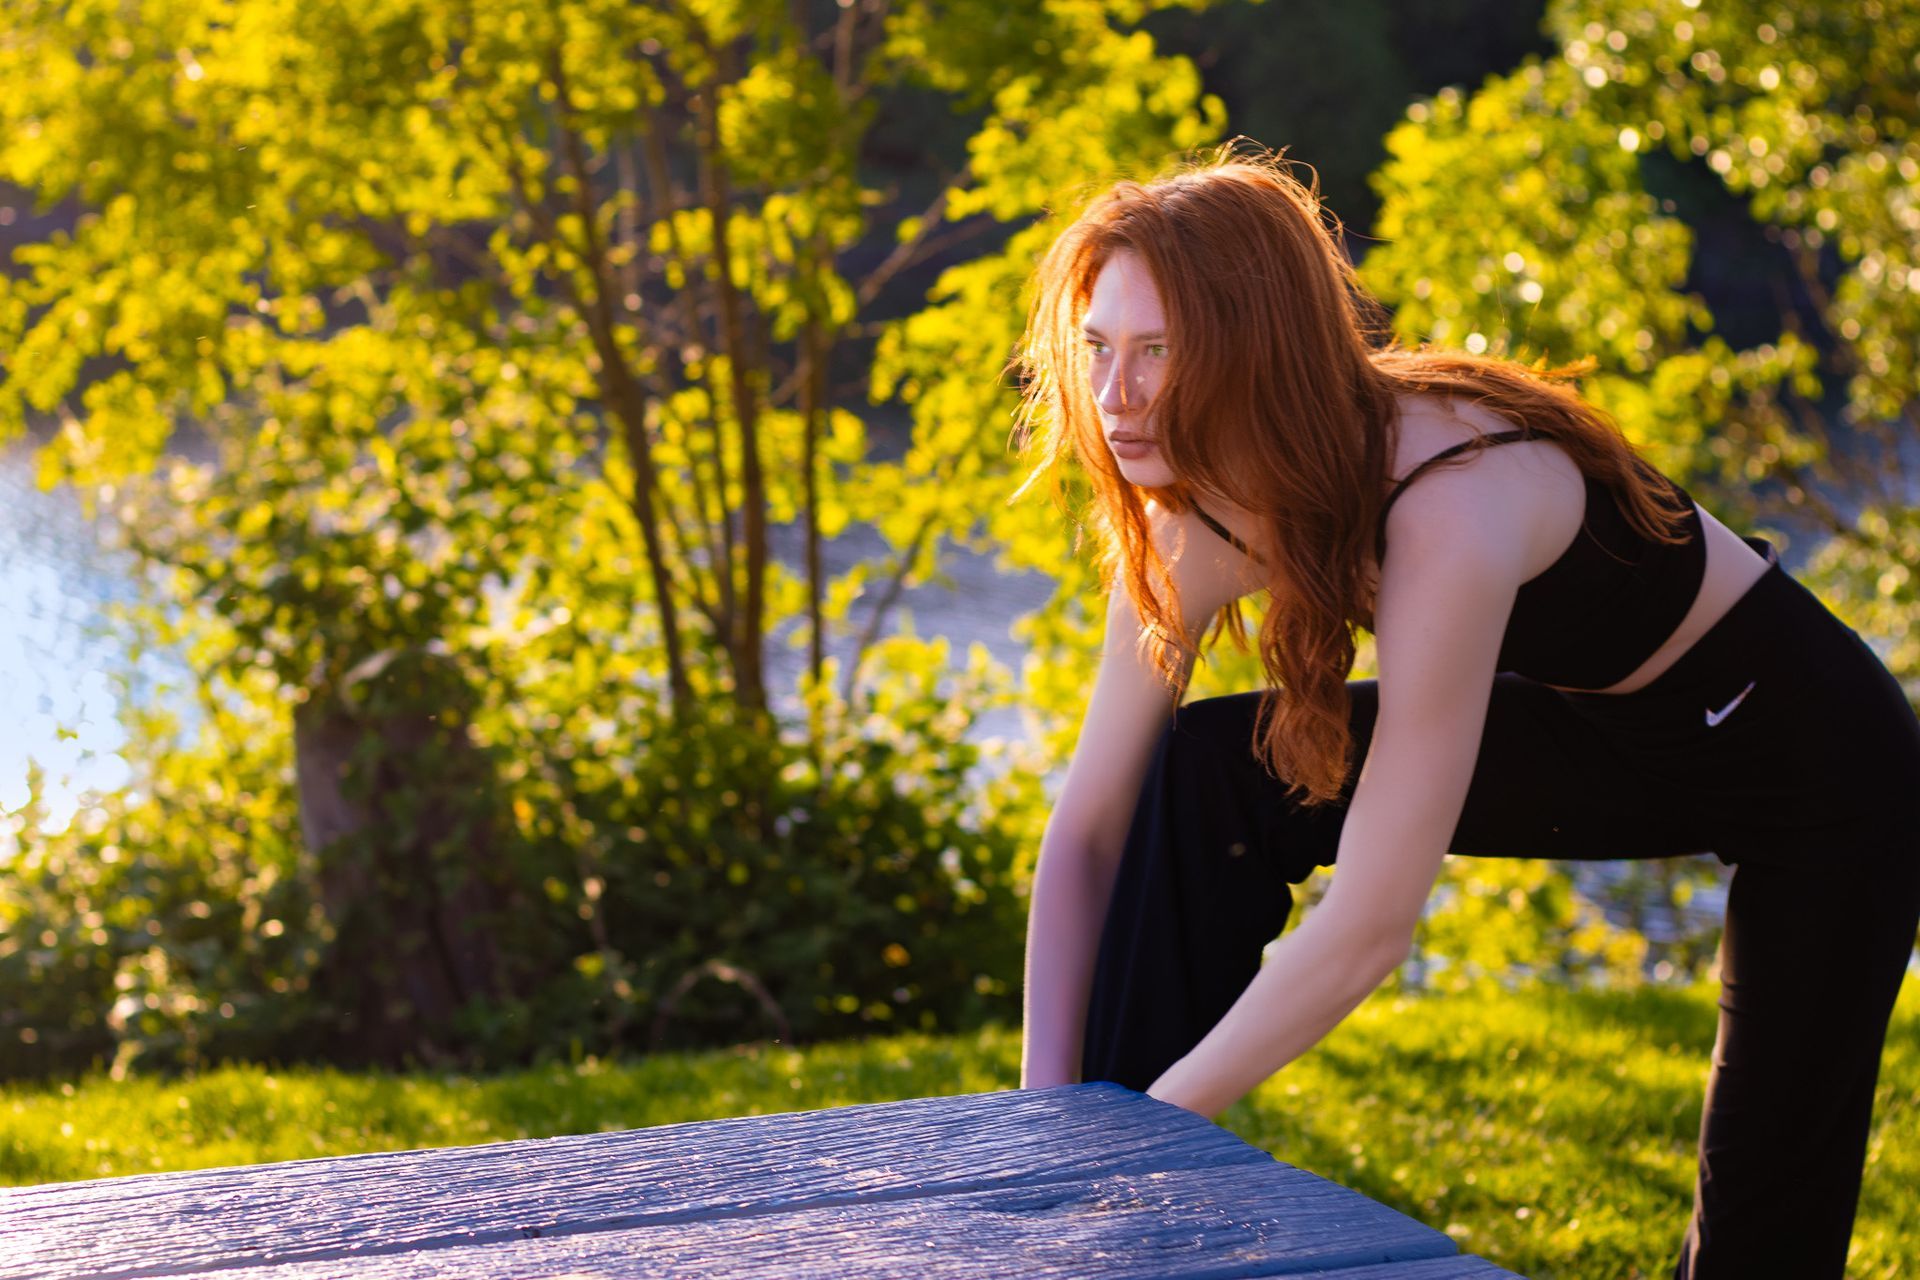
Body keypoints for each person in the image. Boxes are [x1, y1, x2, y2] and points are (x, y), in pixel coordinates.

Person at [1011, 152, 1920, 1279]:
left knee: (1762, 1221)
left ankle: (1130, 1155)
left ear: (1257, 345)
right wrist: (1047, 1115)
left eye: (1157, 352)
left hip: (1821, 765)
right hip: (1606, 730)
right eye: (1098, 348)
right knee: (1207, 771)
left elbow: (1370, 927)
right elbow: (1093, 823)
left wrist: (1157, 1123)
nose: (1115, 395)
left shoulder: (1452, 497)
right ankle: (1116, 1231)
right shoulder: (1188, 519)